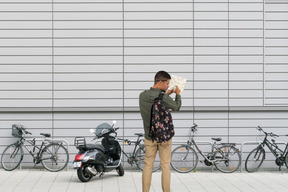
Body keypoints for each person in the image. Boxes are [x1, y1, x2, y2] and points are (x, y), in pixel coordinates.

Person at [139, 70, 182, 192]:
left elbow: (155, 102)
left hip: (149, 137)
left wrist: (167, 93)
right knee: (165, 166)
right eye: (167, 83)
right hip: (164, 138)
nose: (168, 86)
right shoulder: (164, 97)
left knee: (148, 166)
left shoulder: (142, 96)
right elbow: (176, 107)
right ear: (159, 82)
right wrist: (177, 94)